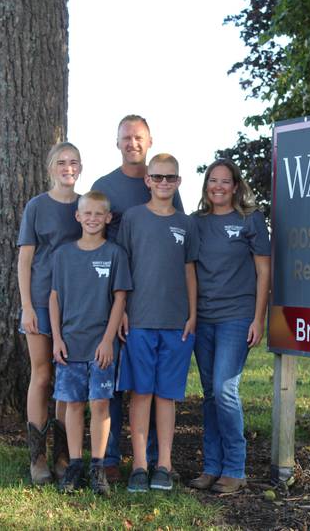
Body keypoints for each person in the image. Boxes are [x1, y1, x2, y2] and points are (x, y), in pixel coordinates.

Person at [91, 114, 183, 483]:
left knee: (148, 387)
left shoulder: (165, 184)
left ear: (149, 141)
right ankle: (110, 457)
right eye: (126, 137)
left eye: (139, 137)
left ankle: (158, 462)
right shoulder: (105, 185)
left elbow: (177, 244)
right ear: (118, 143)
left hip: (154, 302)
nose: (133, 143)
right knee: (113, 379)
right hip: (110, 294)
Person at [116, 153, 198, 492]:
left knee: (166, 395)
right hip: (139, 320)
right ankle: (138, 464)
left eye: (170, 178)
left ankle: (163, 463)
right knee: (141, 393)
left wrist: (193, 314)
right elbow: (121, 265)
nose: (164, 183)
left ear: (178, 182)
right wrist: (120, 310)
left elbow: (189, 269)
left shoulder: (186, 223)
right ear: (147, 180)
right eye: (158, 177)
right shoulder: (133, 218)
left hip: (176, 322)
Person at [188, 159, 270, 494]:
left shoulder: (251, 219)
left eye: (225, 181)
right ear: (206, 185)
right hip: (203, 318)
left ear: (235, 186)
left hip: (237, 317)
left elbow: (264, 271)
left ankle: (235, 468)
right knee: (209, 395)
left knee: (225, 389)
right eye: (212, 181)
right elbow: (189, 271)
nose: (218, 187)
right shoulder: (196, 223)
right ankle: (212, 467)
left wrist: (259, 317)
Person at [49, 190, 131, 495]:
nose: (93, 219)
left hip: (101, 346)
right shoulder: (63, 255)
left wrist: (108, 340)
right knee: (72, 404)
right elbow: (54, 298)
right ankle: (74, 465)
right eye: (88, 213)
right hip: (69, 344)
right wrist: (56, 339)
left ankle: (98, 466)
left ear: (108, 218)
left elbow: (120, 299)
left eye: (100, 214)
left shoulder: (114, 254)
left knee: (99, 403)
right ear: (78, 216)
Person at [17, 141, 83, 485]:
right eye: (61, 162)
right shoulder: (37, 207)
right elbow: (25, 259)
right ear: (51, 168)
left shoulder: (86, 206)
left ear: (80, 167)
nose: (67, 167)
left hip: (76, 307)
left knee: (67, 382)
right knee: (42, 376)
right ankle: (37, 457)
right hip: (41, 302)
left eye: (73, 162)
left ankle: (63, 455)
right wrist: (27, 306)